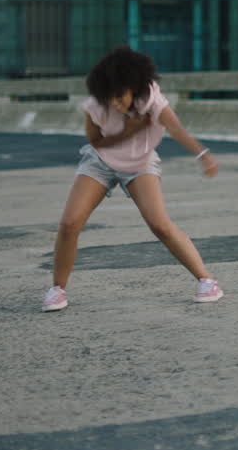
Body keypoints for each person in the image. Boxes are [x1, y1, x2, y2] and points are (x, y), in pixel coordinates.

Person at [42, 46, 222, 312]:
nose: (115, 103)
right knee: (69, 223)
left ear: (133, 86)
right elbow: (96, 141)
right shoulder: (95, 105)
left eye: (119, 97)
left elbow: (177, 129)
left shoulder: (153, 102)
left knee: (160, 225)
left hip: (141, 163)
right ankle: (57, 289)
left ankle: (207, 281)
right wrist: (130, 131)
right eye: (109, 98)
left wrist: (203, 155)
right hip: (100, 162)